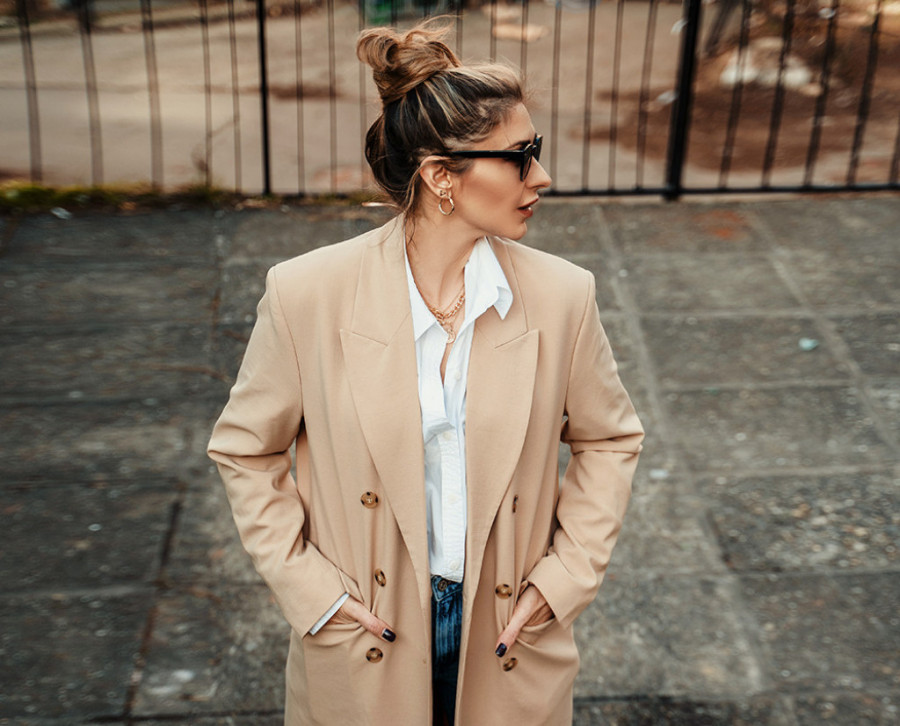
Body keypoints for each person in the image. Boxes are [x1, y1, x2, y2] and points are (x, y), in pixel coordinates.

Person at [207, 20, 643, 726]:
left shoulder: (564, 295)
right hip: (364, 630)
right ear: (442, 176)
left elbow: (609, 439)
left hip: (508, 631)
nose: (541, 176)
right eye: (520, 157)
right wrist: (313, 592)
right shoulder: (306, 293)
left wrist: (564, 579)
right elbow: (244, 450)